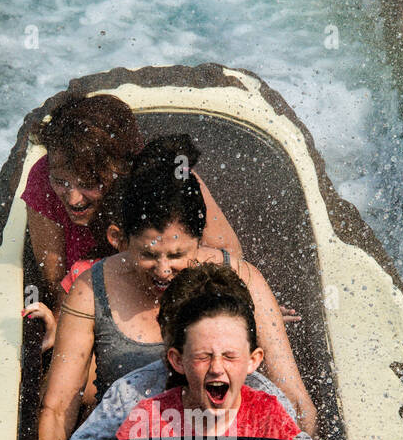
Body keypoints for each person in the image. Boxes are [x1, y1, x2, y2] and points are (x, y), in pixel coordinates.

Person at [35, 136, 317, 440]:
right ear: (119, 239)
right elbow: (58, 409)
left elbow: (293, 398)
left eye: (177, 254)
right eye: (148, 255)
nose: (164, 269)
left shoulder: (240, 280)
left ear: (200, 241)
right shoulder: (125, 391)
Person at [23, 93, 240, 303]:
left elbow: (230, 258)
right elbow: (55, 283)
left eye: (89, 184)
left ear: (122, 170)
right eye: (61, 182)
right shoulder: (43, 177)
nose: (73, 199)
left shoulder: (169, 179)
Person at [116, 264, 304, 440]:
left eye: (230, 356)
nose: (216, 368)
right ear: (178, 360)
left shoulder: (267, 415)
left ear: (253, 360)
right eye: (203, 356)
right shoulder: (149, 418)